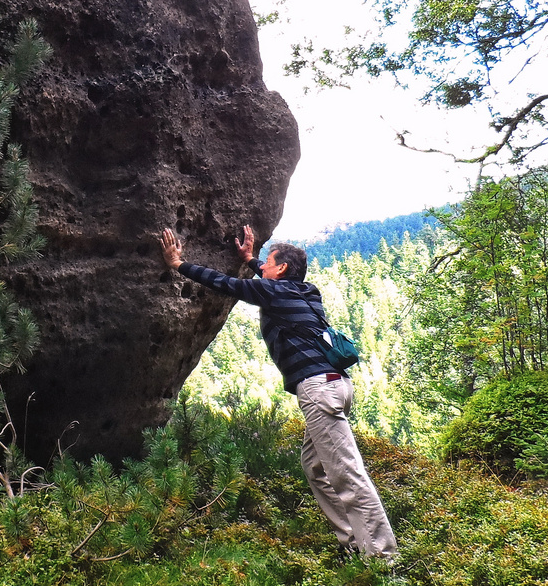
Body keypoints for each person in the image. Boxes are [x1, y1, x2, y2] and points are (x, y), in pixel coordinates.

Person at [159, 224, 398, 562]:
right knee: (315, 466)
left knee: (347, 474)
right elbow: (265, 276)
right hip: (337, 386)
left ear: (281, 269)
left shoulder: (274, 293)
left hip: (318, 389)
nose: (263, 269)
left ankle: (382, 560)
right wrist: (252, 258)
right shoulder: (306, 291)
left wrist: (178, 264)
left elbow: (227, 284)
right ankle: (355, 543)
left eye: (269, 264)